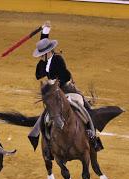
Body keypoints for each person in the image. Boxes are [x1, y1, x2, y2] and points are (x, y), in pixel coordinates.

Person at [31, 21, 103, 156]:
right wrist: (45, 30)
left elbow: (65, 76)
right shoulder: (44, 61)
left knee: (83, 107)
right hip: (54, 91)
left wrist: (55, 82)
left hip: (67, 88)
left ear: (48, 52)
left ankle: (93, 138)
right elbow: (43, 46)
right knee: (47, 116)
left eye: (42, 54)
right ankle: (47, 145)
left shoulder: (58, 60)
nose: (40, 56)